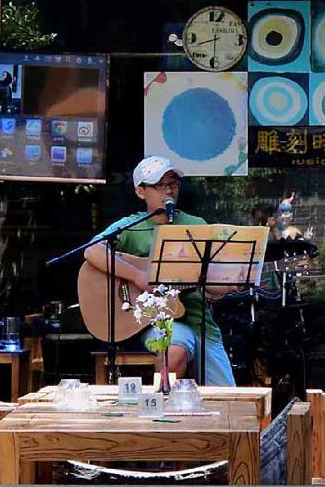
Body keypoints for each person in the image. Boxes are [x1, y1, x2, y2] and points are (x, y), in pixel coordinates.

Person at [84, 155, 236, 386]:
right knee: (175, 347)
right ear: (141, 191)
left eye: (173, 184)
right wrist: (137, 275)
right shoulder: (130, 226)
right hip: (155, 320)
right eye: (160, 185)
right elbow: (92, 251)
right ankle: (160, 409)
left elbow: (216, 283)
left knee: (229, 400)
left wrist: (228, 284)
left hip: (200, 322)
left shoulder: (197, 225)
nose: (169, 190)